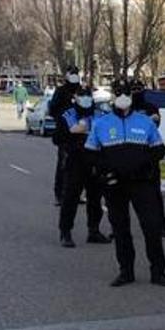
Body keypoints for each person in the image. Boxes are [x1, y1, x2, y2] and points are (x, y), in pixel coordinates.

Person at [86, 80, 165, 287]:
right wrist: (105, 171)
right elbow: (91, 154)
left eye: (126, 93)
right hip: (115, 184)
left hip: (142, 183)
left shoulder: (145, 122)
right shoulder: (101, 123)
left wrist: (145, 166)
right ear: (113, 97)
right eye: (119, 93)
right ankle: (126, 271)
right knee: (120, 229)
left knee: (151, 227)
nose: (123, 97)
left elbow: (159, 149)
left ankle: (159, 272)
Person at [56, 85, 111, 247]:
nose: (85, 98)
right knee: (71, 198)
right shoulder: (67, 115)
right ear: (76, 97)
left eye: (88, 95)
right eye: (82, 95)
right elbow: (58, 138)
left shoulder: (100, 114)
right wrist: (73, 134)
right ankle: (65, 232)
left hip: (96, 160)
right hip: (76, 161)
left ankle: (93, 230)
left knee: (95, 198)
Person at [130, 79, 165, 238]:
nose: (136, 92)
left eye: (138, 89)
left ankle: (161, 225)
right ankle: (118, 228)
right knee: (122, 194)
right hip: (129, 154)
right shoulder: (125, 108)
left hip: (148, 154)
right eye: (133, 89)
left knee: (154, 194)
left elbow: (156, 124)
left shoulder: (151, 107)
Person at [50, 66, 81, 206]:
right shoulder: (61, 91)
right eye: (72, 74)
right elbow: (52, 109)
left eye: (76, 73)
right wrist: (64, 117)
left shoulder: (81, 90)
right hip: (65, 133)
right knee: (64, 164)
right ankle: (60, 194)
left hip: (80, 132)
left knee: (80, 165)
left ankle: (77, 193)